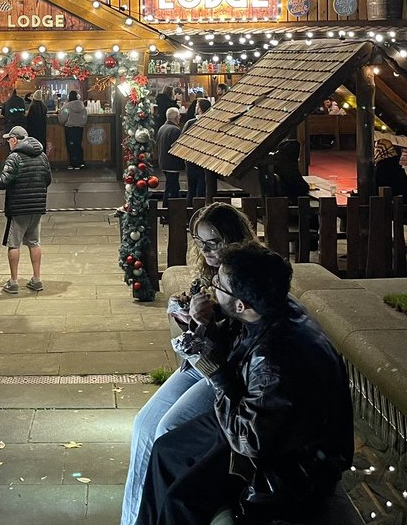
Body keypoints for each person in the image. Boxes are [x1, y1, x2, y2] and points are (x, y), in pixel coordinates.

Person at [136, 242, 353, 525]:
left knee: (182, 500)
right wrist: (207, 327)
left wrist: (217, 374)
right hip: (258, 421)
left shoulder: (275, 361)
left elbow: (248, 440)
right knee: (166, 450)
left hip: (292, 464)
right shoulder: (272, 310)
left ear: (241, 304)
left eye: (219, 284)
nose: (212, 286)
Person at [121, 204, 257, 525]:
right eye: (200, 242)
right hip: (199, 361)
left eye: (214, 243)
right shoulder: (209, 270)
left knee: (169, 431)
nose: (206, 251)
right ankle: (131, 519)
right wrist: (188, 315)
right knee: (143, 425)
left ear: (234, 238)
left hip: (224, 368)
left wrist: (212, 319)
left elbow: (247, 328)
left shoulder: (249, 270)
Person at [0, 125, 51, 293]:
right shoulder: (42, 156)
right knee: (34, 243)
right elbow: (48, 179)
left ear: (14, 140)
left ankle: (13, 282)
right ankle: (37, 279)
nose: (8, 143)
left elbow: (4, 182)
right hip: (37, 206)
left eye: (9, 140)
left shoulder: (14, 157)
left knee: (14, 244)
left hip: (18, 207)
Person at [183, 99, 212, 204]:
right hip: (205, 160)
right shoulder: (211, 123)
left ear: (199, 109)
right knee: (203, 187)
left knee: (192, 188)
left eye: (196, 106)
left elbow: (182, 140)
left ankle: (189, 211)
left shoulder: (191, 123)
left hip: (191, 159)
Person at [271, 138, 311, 203]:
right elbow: (302, 187)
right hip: (290, 201)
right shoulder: (288, 166)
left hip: (282, 198)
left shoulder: (278, 162)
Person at [156, 107, 184, 201]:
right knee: (171, 188)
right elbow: (178, 149)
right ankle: (168, 209)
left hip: (163, 162)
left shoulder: (162, 128)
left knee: (172, 186)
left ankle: (171, 208)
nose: (180, 118)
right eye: (179, 116)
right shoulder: (175, 130)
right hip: (172, 164)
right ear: (176, 118)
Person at [373, 139, 407, 203]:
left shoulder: (381, 169)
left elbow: (376, 191)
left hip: (390, 206)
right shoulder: (397, 166)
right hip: (404, 204)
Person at [58, 89, 88, 169]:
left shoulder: (67, 106)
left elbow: (63, 118)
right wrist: (81, 123)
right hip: (79, 128)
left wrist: (60, 119)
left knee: (71, 146)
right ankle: (80, 162)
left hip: (70, 128)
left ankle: (73, 164)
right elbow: (85, 117)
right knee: (78, 145)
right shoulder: (82, 106)